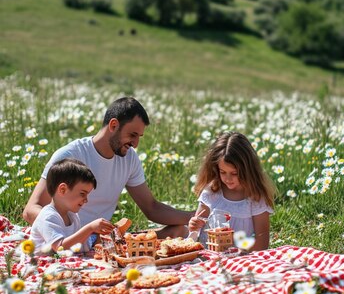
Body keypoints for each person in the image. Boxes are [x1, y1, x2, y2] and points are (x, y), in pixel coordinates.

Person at [23, 97, 193, 238]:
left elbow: (151, 208)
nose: (136, 143)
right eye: (132, 135)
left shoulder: (129, 159)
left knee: (179, 231)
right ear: (113, 125)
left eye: (139, 137)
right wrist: (69, 231)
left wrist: (195, 217)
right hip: (67, 239)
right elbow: (31, 210)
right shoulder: (70, 155)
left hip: (104, 239)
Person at [188, 131, 275, 251]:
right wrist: (194, 225)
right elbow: (197, 228)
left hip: (240, 257)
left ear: (248, 170)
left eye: (234, 173)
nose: (228, 179)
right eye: (222, 172)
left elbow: (262, 242)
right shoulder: (212, 191)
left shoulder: (255, 198)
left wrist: (235, 244)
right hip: (207, 254)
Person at [29, 158, 115, 255]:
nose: (86, 200)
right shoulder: (48, 217)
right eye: (82, 194)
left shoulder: (72, 216)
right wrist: (90, 228)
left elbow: (80, 247)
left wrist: (100, 236)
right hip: (40, 264)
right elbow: (60, 248)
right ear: (63, 190)